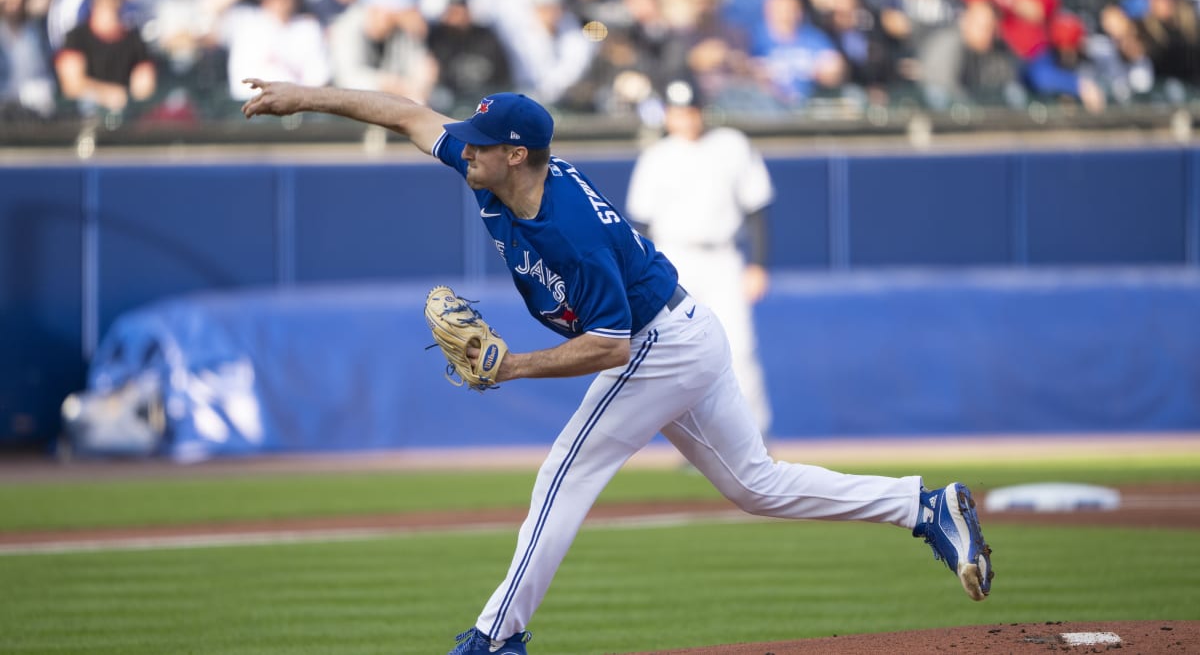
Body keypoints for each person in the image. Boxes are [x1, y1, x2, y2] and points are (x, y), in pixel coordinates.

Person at [240, 79, 994, 655]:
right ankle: (923, 506)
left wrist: (509, 368)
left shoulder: (567, 227)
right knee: (756, 484)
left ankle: (497, 634)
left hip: (661, 342)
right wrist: (303, 97)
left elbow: (611, 346)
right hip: (685, 329)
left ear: (515, 153)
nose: (462, 147)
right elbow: (405, 112)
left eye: (479, 140)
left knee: (565, 469)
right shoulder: (496, 170)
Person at [625, 79, 774, 439]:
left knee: (739, 348)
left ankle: (753, 437)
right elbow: (640, 224)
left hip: (722, 256)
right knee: (677, 354)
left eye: (691, 111)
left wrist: (759, 263)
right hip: (672, 259)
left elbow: (757, 208)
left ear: (701, 111)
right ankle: (697, 441)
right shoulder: (656, 155)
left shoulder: (731, 145)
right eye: (678, 113)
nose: (686, 120)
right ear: (668, 116)